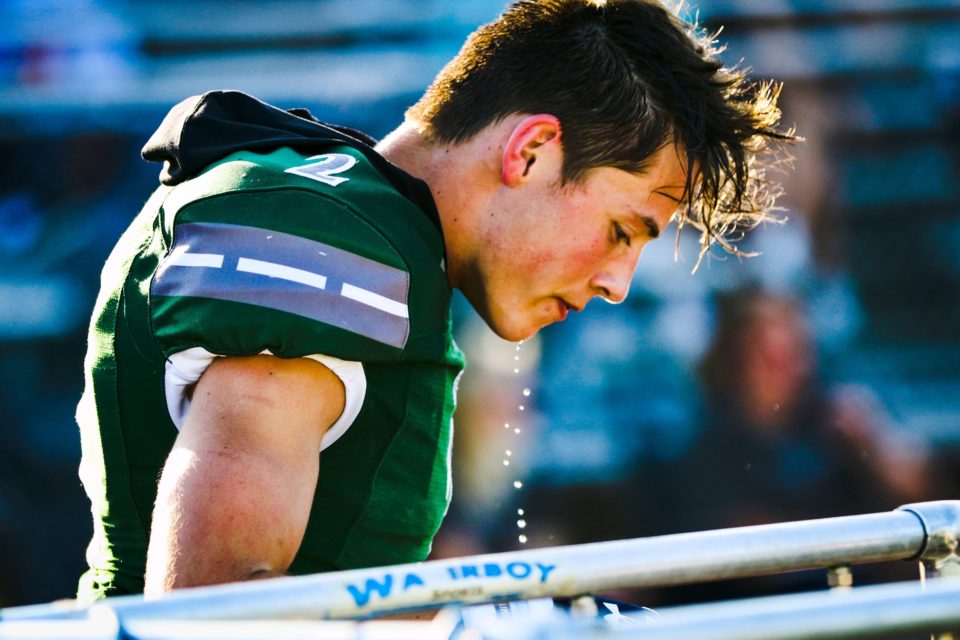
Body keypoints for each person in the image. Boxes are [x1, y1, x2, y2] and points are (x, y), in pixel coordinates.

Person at [75, 0, 794, 601]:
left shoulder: (367, 223)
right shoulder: (334, 247)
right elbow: (213, 608)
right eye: (620, 231)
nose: (618, 282)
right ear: (531, 152)